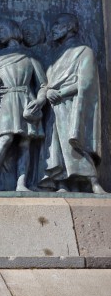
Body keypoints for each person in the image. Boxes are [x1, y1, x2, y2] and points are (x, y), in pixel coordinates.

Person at [35, 13, 105, 193]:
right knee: (56, 148)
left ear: (69, 27)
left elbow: (87, 82)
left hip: (72, 105)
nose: (53, 28)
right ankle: (62, 183)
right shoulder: (54, 55)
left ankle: (93, 182)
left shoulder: (84, 51)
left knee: (73, 142)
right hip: (54, 107)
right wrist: (47, 92)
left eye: (57, 23)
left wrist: (61, 92)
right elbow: (46, 81)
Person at [0, 18, 46, 191]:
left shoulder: (29, 56)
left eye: (1, 30)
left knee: (25, 143)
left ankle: (21, 184)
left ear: (12, 30)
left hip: (25, 101)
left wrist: (40, 100)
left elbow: (42, 84)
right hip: (6, 101)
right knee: (5, 139)